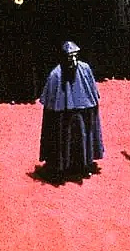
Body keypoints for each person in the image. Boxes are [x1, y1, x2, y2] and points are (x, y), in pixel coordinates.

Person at [38, 41, 104, 182]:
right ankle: (62, 167)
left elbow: (92, 95)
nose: (73, 60)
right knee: (64, 140)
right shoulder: (56, 75)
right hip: (64, 118)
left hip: (82, 115)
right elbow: (51, 108)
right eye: (70, 57)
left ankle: (83, 165)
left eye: (75, 56)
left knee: (83, 138)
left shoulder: (85, 69)